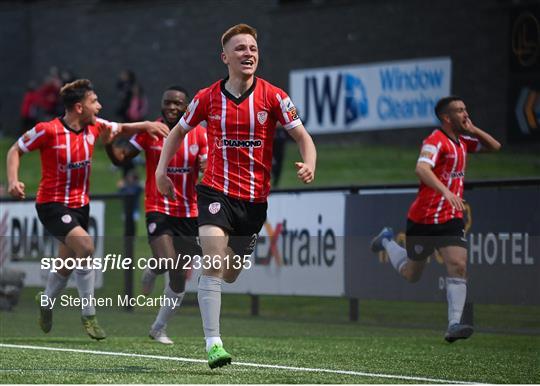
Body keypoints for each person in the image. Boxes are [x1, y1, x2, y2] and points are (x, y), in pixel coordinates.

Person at [155, 23, 317, 368]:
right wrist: (160, 171)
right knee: (213, 263)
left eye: (253, 49)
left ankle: (213, 248)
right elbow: (176, 134)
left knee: (230, 273)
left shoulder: (274, 96)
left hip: (254, 202)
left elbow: (303, 136)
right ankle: (213, 343)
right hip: (215, 190)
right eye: (240, 48)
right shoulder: (206, 97)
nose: (248, 54)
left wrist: (310, 162)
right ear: (224, 57)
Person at [6, 79, 169, 340]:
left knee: (67, 263)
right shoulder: (47, 130)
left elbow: (123, 128)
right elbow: (15, 150)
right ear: (79, 107)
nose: (100, 106)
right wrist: (13, 181)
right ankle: (89, 314)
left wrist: (147, 125)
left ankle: (46, 301)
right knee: (86, 247)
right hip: (52, 204)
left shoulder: (96, 127)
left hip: (80, 205)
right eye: (95, 101)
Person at [370, 96, 501, 343]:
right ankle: (387, 240)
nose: (465, 114)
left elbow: (495, 147)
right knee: (412, 273)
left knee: (458, 264)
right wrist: (446, 191)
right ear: (446, 118)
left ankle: (453, 324)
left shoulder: (464, 141)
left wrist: (473, 130)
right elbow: (422, 168)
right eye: (460, 111)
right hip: (424, 218)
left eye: (466, 109)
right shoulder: (435, 140)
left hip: (451, 217)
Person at [105, 85, 208, 344]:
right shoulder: (150, 132)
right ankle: (155, 268)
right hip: (158, 207)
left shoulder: (199, 135)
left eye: (178, 103)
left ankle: (158, 327)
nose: (172, 107)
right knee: (169, 260)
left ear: (187, 107)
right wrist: (109, 143)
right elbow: (120, 158)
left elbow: (207, 168)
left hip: (189, 212)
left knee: (178, 275)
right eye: (167, 102)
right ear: (161, 104)